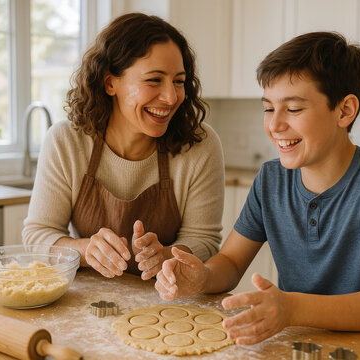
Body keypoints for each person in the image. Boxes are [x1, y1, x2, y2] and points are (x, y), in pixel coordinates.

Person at [155, 31, 360, 344]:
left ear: (344, 110)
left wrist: (292, 308)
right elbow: (230, 262)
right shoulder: (271, 179)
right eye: (269, 108)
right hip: (299, 345)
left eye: (294, 109)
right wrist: (202, 277)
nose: (274, 125)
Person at [22, 13, 225, 281]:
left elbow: (204, 240)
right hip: (88, 303)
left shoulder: (199, 145)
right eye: (154, 80)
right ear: (110, 83)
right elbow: (38, 235)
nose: (171, 96)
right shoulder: (66, 141)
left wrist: (168, 255)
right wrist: (84, 250)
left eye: (178, 81)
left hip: (169, 304)